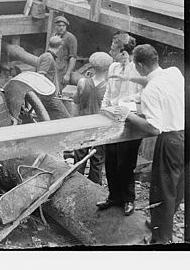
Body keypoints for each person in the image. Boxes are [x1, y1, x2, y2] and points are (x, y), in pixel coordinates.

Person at [120, 44, 184, 244]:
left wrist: (127, 114)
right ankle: (160, 223)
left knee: (162, 189)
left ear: (139, 65)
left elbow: (154, 128)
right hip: (189, 134)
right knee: (178, 186)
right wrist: (130, 79)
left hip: (170, 139)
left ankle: (161, 239)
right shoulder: (174, 72)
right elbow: (153, 78)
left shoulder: (150, 91)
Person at [95, 33, 143, 216]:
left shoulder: (138, 70)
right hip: (112, 119)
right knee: (111, 161)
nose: (109, 51)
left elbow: (142, 95)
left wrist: (125, 105)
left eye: (113, 49)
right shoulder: (113, 66)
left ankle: (128, 199)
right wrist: (104, 108)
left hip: (130, 120)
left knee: (125, 163)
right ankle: (114, 196)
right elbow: (109, 90)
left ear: (124, 53)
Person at [71, 52, 113, 185]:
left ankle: (76, 184)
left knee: (79, 159)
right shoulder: (109, 86)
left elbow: (75, 103)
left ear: (92, 66)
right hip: (100, 128)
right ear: (107, 68)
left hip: (83, 126)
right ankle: (94, 187)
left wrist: (74, 123)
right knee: (97, 161)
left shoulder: (82, 82)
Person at [36, 36, 72, 120]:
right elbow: (41, 75)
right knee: (65, 118)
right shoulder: (48, 57)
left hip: (47, 95)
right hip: (48, 97)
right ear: (60, 46)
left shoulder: (46, 56)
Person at [53, 15, 78, 89]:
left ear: (66, 27)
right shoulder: (54, 36)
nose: (61, 28)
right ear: (55, 26)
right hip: (53, 68)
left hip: (62, 70)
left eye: (63, 26)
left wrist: (67, 74)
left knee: (59, 90)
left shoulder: (70, 38)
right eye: (59, 25)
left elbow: (73, 57)